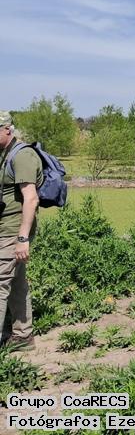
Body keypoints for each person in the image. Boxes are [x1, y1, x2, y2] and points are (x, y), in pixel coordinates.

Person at [0, 111, 42, 351]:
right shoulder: (3, 153)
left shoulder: (23, 155)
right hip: (5, 227)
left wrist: (22, 238)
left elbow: (31, 199)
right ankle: (23, 335)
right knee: (15, 280)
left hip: (14, 229)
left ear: (7, 129)